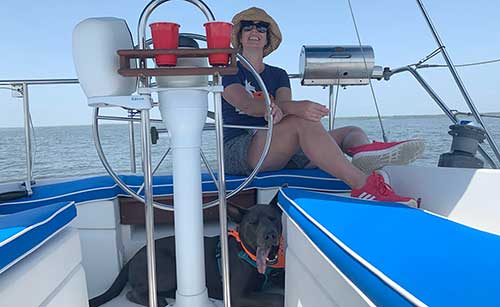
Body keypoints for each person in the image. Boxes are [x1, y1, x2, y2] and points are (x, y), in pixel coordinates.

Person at [222, 7, 424, 206]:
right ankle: (364, 186)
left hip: (278, 145)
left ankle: (363, 153)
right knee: (301, 121)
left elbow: (285, 107)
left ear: (267, 38)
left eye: (261, 28)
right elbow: (246, 104)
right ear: (240, 36)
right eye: (248, 27)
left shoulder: (279, 74)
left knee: (351, 131)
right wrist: (295, 107)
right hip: (241, 148)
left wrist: (283, 110)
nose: (255, 31)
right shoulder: (229, 69)